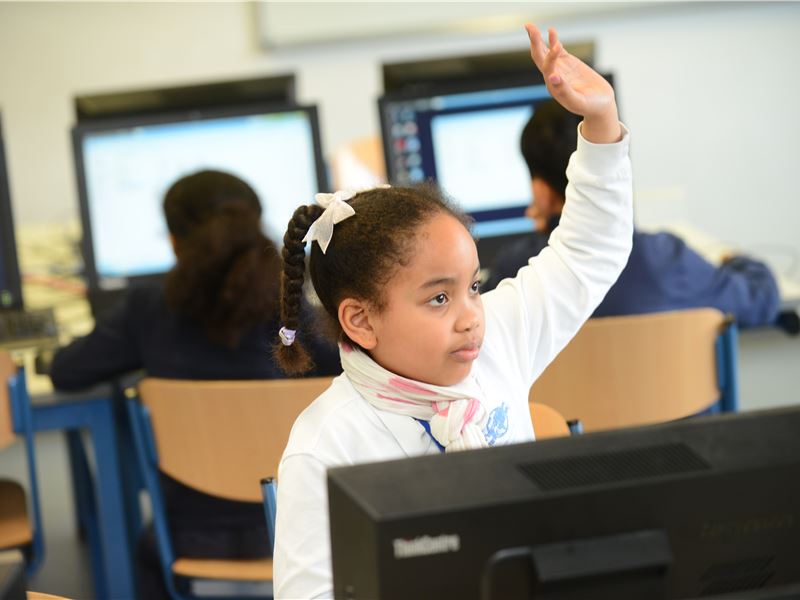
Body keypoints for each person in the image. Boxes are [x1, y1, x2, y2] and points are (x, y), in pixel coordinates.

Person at [271, 24, 632, 599]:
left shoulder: (496, 340)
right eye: (439, 298)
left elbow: (590, 252)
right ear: (360, 321)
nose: (471, 316)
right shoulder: (327, 444)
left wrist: (601, 124)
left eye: (473, 286)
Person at [49, 170, 341, 599]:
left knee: (141, 554)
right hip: (302, 529)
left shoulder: (146, 310)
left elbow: (66, 371)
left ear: (173, 240)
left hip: (187, 536)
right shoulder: (295, 311)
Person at [484, 99, 780, 328]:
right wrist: (734, 260)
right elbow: (762, 297)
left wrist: (544, 231)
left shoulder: (517, 271)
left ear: (541, 192)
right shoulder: (666, 257)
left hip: (563, 411)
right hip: (676, 410)